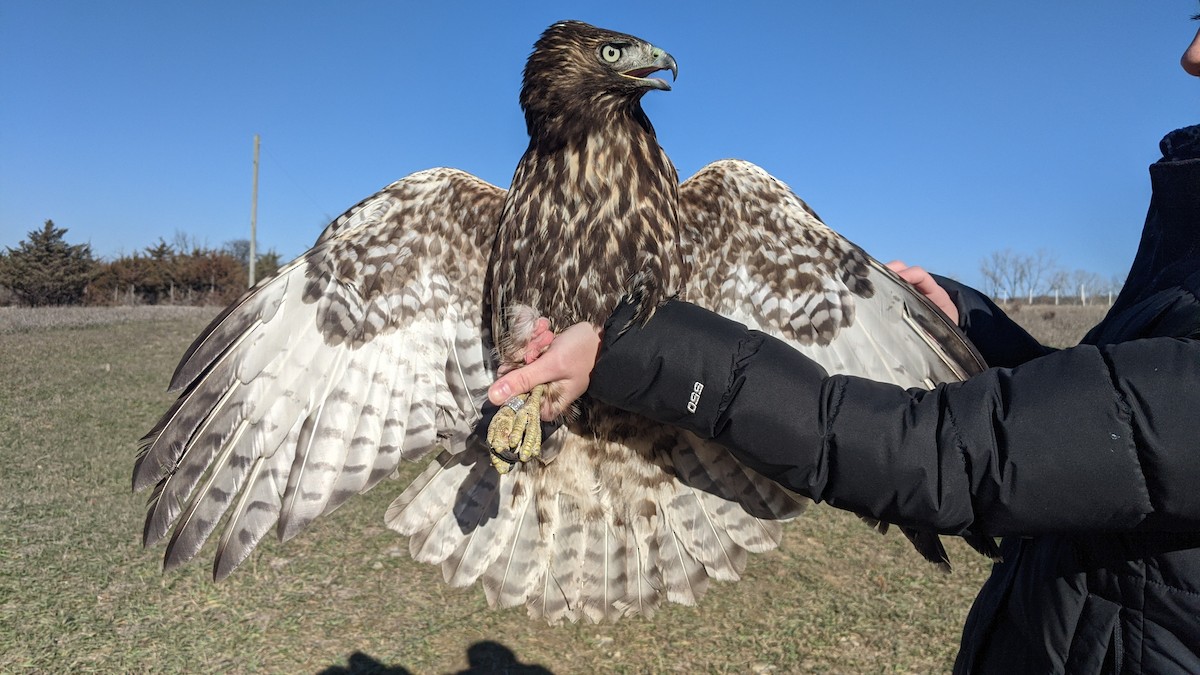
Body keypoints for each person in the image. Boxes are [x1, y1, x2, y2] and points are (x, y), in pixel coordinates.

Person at [486, 19, 1200, 674]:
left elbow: (956, 454)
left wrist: (620, 352)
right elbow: (1115, 426)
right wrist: (976, 329)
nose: (1190, 54)